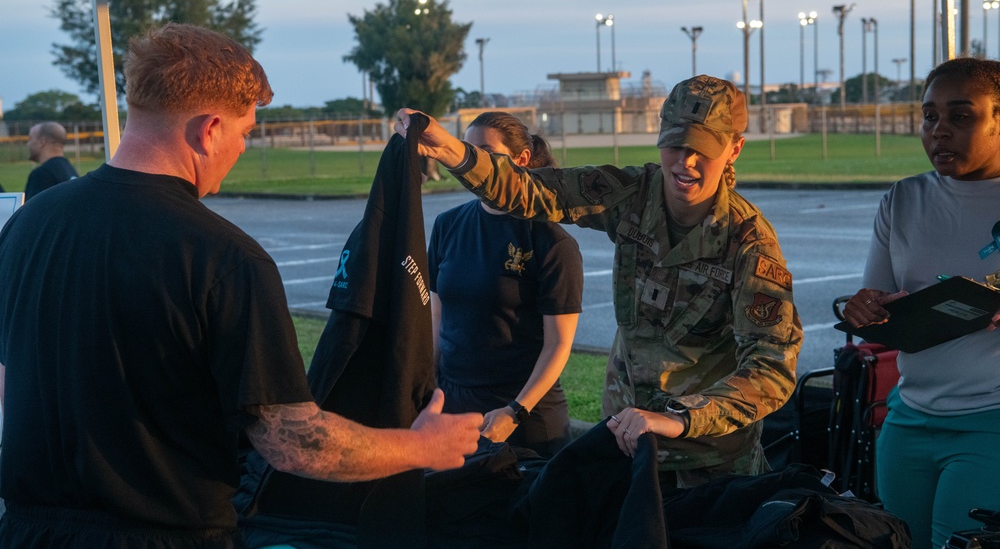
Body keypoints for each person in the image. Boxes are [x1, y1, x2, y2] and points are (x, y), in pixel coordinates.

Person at [0, 23, 481, 548]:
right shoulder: (226, 258)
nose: (244, 148)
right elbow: (293, 442)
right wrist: (421, 449)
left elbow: (8, 378)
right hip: (165, 535)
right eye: (246, 131)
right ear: (209, 129)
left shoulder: (28, 224)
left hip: (25, 529)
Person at [397, 74, 803, 489]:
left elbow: (772, 368)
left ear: (734, 149)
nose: (686, 162)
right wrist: (449, 148)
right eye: (676, 145)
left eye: (704, 150)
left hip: (708, 467)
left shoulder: (750, 244)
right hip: (624, 450)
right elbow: (530, 191)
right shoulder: (634, 195)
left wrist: (680, 419)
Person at [840, 56, 1000, 549]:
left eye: (961, 116)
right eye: (929, 116)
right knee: (897, 541)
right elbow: (878, 300)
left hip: (989, 421)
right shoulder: (902, 199)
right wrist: (860, 307)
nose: (939, 131)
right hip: (909, 417)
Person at [428, 111, 583, 457]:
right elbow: (435, 319)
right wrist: (427, 387)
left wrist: (514, 412)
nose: (473, 163)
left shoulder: (552, 242)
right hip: (454, 409)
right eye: (467, 151)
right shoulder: (447, 225)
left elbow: (557, 346)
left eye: (484, 152)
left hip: (524, 417)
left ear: (522, 159)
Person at [24, 121, 78, 200]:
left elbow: (30, 211)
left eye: (30, 139)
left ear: (42, 142)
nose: (28, 144)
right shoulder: (69, 169)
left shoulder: (42, 174)